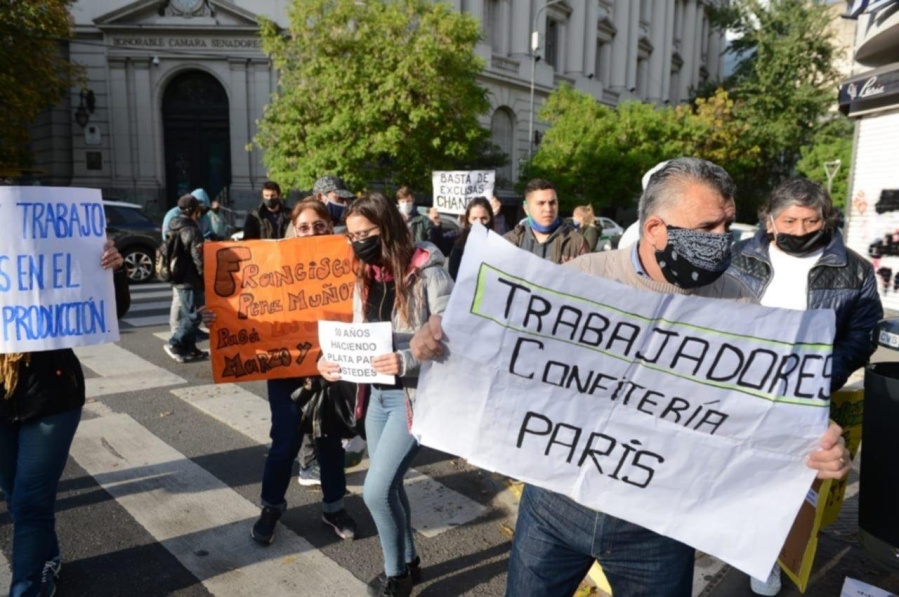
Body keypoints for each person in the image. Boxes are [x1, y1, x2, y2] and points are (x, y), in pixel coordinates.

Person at [409, 158, 852, 597]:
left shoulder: (739, 307)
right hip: (555, 510)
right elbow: (502, 350)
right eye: (708, 228)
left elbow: (763, 408)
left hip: (657, 528)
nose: (723, 240)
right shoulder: (582, 279)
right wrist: (437, 340)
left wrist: (813, 439)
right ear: (656, 229)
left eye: (728, 225)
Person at [725, 177, 882, 596]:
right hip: (740, 389)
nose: (799, 230)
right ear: (770, 220)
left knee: (788, 483)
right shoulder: (737, 257)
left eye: (810, 221)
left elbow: (863, 333)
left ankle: (770, 558)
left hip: (807, 397)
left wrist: (823, 375)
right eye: (790, 221)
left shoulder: (855, 269)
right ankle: (736, 540)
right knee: (735, 473)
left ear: (826, 219)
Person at [317, 193, 453, 597]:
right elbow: (355, 333)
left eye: (367, 233)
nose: (359, 241)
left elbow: (451, 333)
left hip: (415, 400)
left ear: (389, 227)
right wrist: (329, 359)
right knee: (390, 487)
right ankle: (410, 561)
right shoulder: (365, 275)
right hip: (375, 399)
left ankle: (396, 578)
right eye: (353, 234)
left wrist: (406, 359)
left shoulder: (429, 270)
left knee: (375, 490)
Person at [0, 241, 128, 597]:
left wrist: (113, 272)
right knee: (15, 493)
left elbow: (109, 310)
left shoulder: (50, 238)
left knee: (29, 501)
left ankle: (26, 589)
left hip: (51, 394)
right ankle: (48, 555)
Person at [243, 199, 358, 545]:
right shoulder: (275, 264)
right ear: (293, 228)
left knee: (330, 445)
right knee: (284, 444)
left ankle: (334, 507)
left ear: (330, 227)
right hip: (286, 374)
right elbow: (248, 308)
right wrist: (217, 319)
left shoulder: (347, 261)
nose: (312, 232)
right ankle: (271, 508)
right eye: (304, 226)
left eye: (319, 225)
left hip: (331, 374)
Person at [163, 189, 213, 339]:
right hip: (186, 273)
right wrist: (204, 275)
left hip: (180, 270)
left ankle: (189, 339)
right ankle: (177, 338)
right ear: (196, 209)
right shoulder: (190, 228)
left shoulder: (178, 222)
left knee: (193, 307)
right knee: (190, 312)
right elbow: (198, 257)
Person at [504, 178, 588, 264]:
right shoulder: (509, 241)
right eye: (541, 203)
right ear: (526, 208)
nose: (548, 209)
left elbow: (588, 275)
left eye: (552, 203)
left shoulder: (576, 242)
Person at [448, 197, 494, 280]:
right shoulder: (459, 246)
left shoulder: (498, 245)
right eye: (474, 218)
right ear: (468, 219)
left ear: (490, 218)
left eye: (483, 218)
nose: (479, 223)